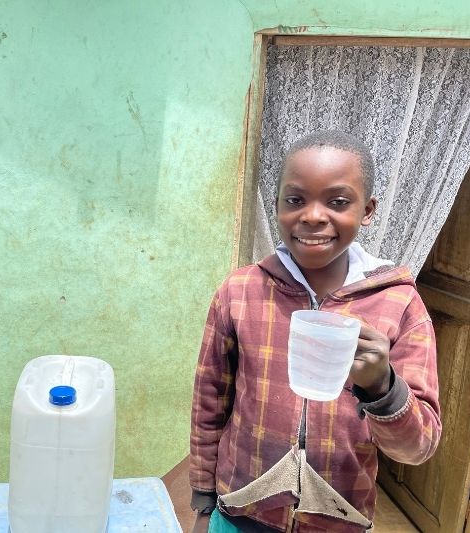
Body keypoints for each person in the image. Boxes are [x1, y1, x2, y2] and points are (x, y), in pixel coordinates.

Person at [189, 130, 441, 532]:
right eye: (295, 200)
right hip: (239, 510)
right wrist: (203, 499)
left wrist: (382, 387)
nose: (312, 216)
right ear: (276, 206)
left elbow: (418, 448)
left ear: (368, 209)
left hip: (339, 520)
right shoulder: (240, 291)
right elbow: (209, 402)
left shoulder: (399, 305)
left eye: (338, 202)